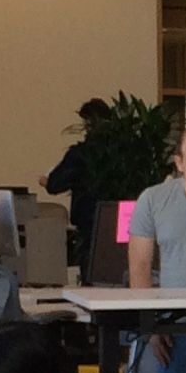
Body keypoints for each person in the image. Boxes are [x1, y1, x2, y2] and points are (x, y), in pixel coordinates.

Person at [126, 119, 186, 373]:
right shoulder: (153, 200)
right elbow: (139, 268)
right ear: (179, 164)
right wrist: (151, 327)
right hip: (175, 330)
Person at [44, 97, 114, 275]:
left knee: (90, 274)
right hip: (118, 223)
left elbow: (55, 184)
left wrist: (46, 181)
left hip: (88, 223)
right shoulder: (120, 152)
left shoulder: (81, 154)